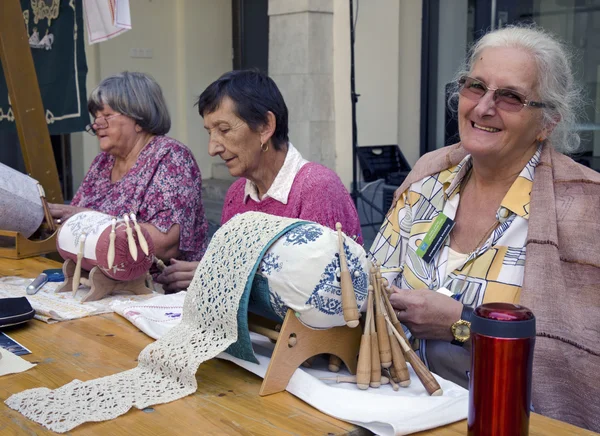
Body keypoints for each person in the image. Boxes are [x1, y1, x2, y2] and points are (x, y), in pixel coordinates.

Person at [370, 25, 599, 431]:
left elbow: (577, 355)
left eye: (510, 96)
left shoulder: (585, 212)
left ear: (546, 123)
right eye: (476, 87)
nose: (483, 107)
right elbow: (371, 289)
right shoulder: (422, 191)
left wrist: (463, 324)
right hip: (390, 415)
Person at [156, 69, 362, 292]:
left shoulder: (316, 188)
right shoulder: (237, 195)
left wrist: (218, 275)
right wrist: (210, 273)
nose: (212, 148)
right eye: (210, 132)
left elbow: (321, 293)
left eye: (224, 130)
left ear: (265, 126)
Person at [49, 72, 208, 262]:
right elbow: (73, 225)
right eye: (96, 116)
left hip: (159, 285)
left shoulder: (170, 157)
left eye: (107, 115)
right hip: (98, 277)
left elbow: (165, 244)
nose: (97, 124)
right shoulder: (102, 162)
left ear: (139, 120)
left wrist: (88, 219)